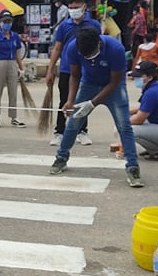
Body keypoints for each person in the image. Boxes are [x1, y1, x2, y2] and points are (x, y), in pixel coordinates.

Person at [49, 27, 143, 188]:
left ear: (99, 43)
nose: (89, 58)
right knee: (73, 123)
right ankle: (61, 158)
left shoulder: (115, 49)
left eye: (91, 54)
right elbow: (75, 75)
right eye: (85, 56)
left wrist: (92, 103)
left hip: (113, 86)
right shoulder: (73, 47)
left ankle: (133, 167)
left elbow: (114, 82)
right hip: (88, 84)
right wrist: (71, 101)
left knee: (124, 125)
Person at [45, 0, 101, 146]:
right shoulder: (64, 26)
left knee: (83, 100)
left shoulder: (94, 25)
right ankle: (59, 132)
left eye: (76, 8)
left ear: (84, 7)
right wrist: (50, 69)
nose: (73, 11)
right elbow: (57, 48)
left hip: (86, 68)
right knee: (64, 100)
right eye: (70, 8)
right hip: (66, 68)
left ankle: (82, 131)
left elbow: (99, 46)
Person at [0, 9, 26, 129]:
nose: (7, 23)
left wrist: (21, 68)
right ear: (0, 23)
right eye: (4, 21)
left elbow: (18, 53)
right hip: (0, 63)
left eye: (9, 21)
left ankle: (13, 117)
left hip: (12, 63)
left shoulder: (15, 37)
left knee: (13, 91)